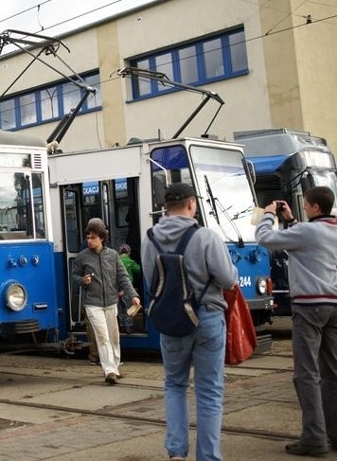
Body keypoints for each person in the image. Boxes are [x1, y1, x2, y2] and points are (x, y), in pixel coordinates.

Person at [142, 183, 238, 461]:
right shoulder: (206, 236)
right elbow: (228, 279)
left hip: (171, 320)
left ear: (165, 206)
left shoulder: (149, 239)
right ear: (191, 204)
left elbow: (152, 281)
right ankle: (208, 456)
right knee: (209, 391)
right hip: (207, 318)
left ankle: (176, 454)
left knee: (174, 385)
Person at [255, 186, 337, 457]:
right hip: (334, 306)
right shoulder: (330, 229)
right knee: (333, 372)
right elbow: (309, 242)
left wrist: (269, 215)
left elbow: (265, 238)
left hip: (309, 307)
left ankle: (314, 438)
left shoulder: (307, 231)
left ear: (312, 206)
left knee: (307, 373)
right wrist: (290, 221)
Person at [72, 217, 140, 385]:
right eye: (88, 237)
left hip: (111, 302)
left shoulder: (113, 255)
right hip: (92, 304)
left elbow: (123, 277)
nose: (89, 240)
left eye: (93, 237)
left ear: (102, 238)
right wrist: (83, 280)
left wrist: (133, 296)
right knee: (102, 336)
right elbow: (74, 276)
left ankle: (115, 366)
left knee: (114, 337)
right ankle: (109, 370)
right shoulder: (82, 257)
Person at [118, 244, 141, 333]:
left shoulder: (116, 262)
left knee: (120, 308)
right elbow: (138, 270)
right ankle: (128, 327)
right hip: (127, 288)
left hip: (117, 289)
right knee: (128, 307)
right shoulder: (131, 262)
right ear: (129, 252)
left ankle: (121, 326)